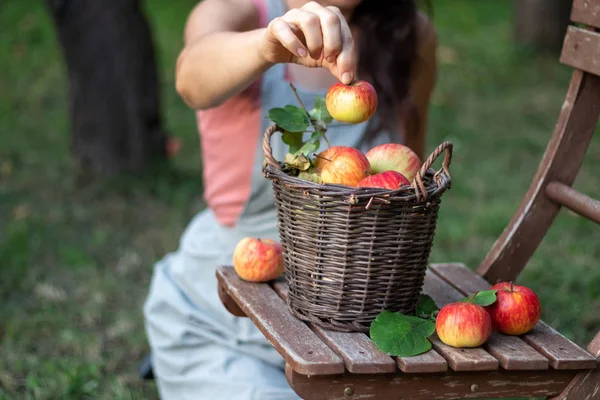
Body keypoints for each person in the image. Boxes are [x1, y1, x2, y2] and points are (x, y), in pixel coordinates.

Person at [143, 0, 437, 398]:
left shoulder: (407, 33)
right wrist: (264, 48)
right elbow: (191, 79)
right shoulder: (242, 10)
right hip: (230, 315)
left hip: (356, 319)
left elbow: (408, 188)